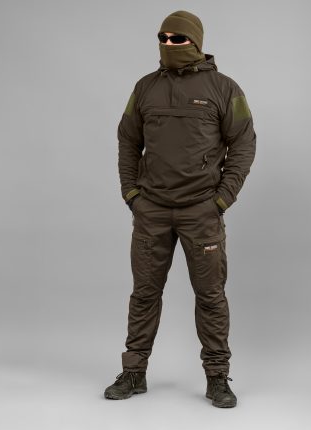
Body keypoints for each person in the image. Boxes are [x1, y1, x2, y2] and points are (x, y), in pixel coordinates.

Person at [104, 10, 256, 408]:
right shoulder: (145, 88)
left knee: (210, 296)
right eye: (163, 38)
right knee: (144, 294)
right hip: (151, 210)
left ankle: (217, 377)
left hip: (200, 212)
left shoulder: (225, 89)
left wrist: (222, 198)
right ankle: (134, 372)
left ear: (197, 42)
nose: (168, 44)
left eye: (177, 38)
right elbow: (127, 139)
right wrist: (131, 193)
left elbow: (244, 143)